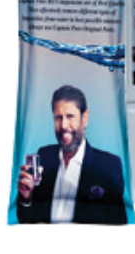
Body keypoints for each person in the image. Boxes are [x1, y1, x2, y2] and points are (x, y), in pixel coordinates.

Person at [16, 85, 127, 224]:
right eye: (58, 117)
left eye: (70, 116)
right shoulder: (44, 157)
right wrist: (25, 197)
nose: (63, 125)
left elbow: (118, 223)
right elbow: (28, 220)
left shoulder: (109, 166)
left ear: (84, 118)